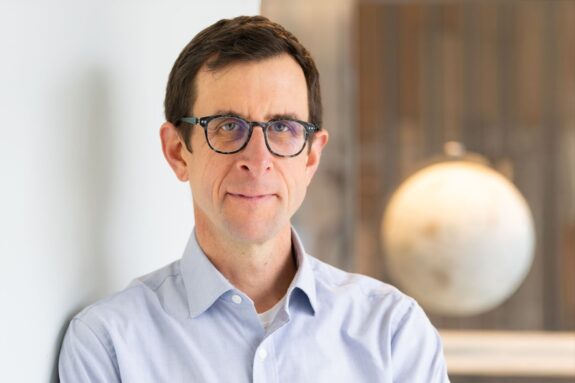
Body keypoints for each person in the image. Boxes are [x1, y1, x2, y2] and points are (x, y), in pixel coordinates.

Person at [59, 15, 449, 382]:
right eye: (228, 126)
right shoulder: (109, 344)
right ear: (178, 151)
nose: (258, 160)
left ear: (311, 156)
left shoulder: (394, 333)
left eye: (282, 127)